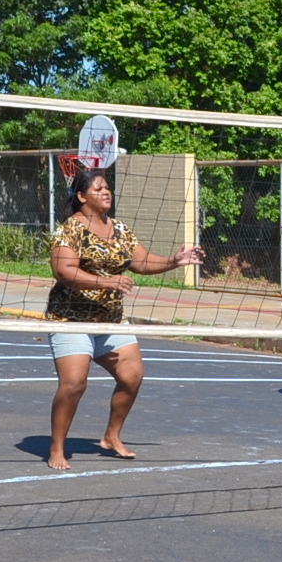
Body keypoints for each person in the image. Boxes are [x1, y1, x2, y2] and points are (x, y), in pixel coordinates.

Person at [44, 167, 202, 468]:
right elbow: (63, 271)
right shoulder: (70, 229)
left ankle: (111, 436)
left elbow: (141, 261)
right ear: (81, 196)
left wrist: (174, 260)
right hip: (71, 319)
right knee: (74, 384)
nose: (106, 192)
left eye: (107, 188)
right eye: (98, 188)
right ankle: (57, 448)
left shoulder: (119, 228)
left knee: (132, 377)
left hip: (110, 319)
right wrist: (106, 282)